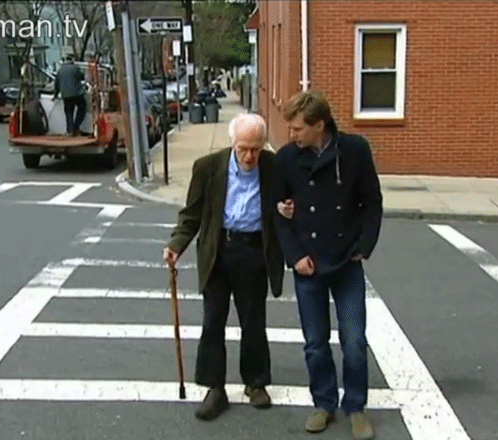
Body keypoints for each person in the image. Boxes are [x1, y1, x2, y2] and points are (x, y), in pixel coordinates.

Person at [272, 90, 382, 439]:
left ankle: (356, 407)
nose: (291, 134)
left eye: (297, 128)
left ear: (319, 125)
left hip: (347, 262)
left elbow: (372, 202)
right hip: (309, 264)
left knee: (354, 341)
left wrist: (364, 246)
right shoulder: (287, 158)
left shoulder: (355, 150)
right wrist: (294, 257)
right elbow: (277, 213)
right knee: (315, 343)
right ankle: (323, 403)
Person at [163, 113, 285, 421]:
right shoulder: (208, 167)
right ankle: (214, 387)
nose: (250, 156)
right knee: (212, 321)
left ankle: (255, 382)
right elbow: (191, 213)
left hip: (254, 250)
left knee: (253, 321)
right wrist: (177, 244)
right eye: (243, 148)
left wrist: (288, 209)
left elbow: (287, 203)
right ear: (232, 142)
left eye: (256, 149)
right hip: (218, 250)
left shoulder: (274, 167)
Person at [52, 56, 86, 136]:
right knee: (82, 108)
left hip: (66, 95)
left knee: (69, 112)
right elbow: (82, 77)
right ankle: (76, 126)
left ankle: (70, 131)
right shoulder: (75, 68)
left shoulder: (60, 70)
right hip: (77, 94)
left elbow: (56, 85)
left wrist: (55, 95)